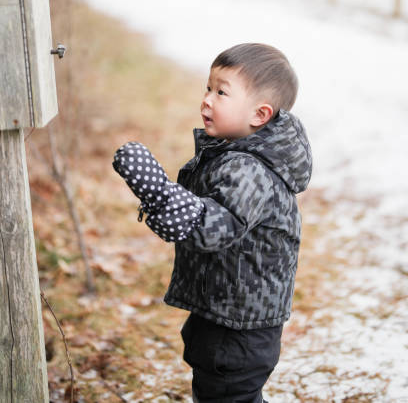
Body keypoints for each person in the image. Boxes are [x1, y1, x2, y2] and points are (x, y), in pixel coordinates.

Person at [112, 43, 313, 403]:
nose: (207, 99)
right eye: (208, 87)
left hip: (239, 329)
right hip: (227, 315)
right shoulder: (233, 154)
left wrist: (157, 191)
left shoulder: (249, 169)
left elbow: (210, 226)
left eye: (221, 92)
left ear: (260, 114)